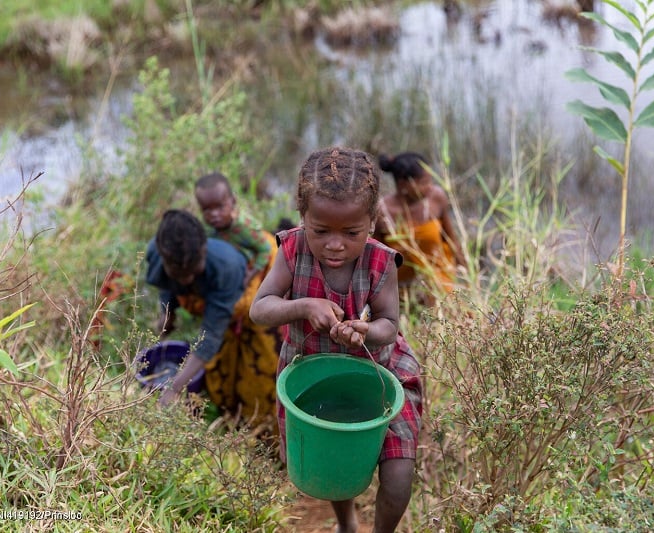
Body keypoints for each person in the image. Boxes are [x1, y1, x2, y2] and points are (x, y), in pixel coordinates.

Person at [249, 147, 423, 533]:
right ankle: (347, 523)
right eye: (321, 230)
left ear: (373, 223)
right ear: (302, 219)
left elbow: (389, 326)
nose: (335, 245)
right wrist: (303, 305)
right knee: (333, 460)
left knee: (398, 476)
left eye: (351, 233)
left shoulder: (381, 262)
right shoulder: (292, 250)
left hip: (381, 372)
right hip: (313, 368)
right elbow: (260, 309)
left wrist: (364, 332)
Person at [145, 209, 279, 433]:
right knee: (222, 378)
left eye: (192, 270)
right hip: (223, 302)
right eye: (177, 272)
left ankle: (264, 433)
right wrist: (167, 316)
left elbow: (210, 335)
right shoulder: (157, 252)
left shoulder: (225, 266)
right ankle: (229, 418)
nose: (186, 279)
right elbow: (166, 287)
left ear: (205, 248)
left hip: (257, 291)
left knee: (261, 374)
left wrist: (174, 388)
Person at [374, 151, 466, 303]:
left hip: (439, 281)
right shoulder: (382, 211)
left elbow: (451, 239)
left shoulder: (436, 198)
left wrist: (467, 274)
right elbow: (377, 256)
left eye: (430, 181)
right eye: (423, 182)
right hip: (402, 288)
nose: (429, 187)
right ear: (403, 184)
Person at [194, 172, 276, 287]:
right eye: (206, 210)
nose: (214, 214)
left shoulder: (243, 227)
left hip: (245, 269)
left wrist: (251, 274)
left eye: (220, 207)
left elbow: (265, 249)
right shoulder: (207, 228)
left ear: (233, 201)